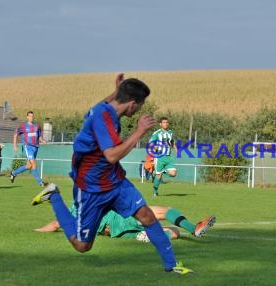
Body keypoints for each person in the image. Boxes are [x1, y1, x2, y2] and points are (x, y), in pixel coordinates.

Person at [31, 73, 193, 274]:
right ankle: (53, 195)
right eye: (140, 106)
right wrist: (139, 131)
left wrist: (117, 90)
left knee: (147, 216)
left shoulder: (103, 109)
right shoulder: (103, 120)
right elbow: (112, 156)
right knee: (82, 246)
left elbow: (100, 108)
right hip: (91, 187)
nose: (140, 110)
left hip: (114, 181)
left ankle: (172, 266)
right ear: (132, 104)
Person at [35, 205, 216, 243]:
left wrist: (36, 231)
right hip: (122, 218)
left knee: (174, 231)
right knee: (164, 211)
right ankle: (194, 228)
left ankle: (144, 236)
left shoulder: (74, 215)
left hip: (118, 232)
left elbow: (54, 224)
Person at [11, 111, 47, 186]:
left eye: (32, 116)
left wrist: (42, 141)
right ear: (27, 117)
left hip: (36, 148)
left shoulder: (37, 126)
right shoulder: (23, 126)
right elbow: (15, 135)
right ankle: (40, 182)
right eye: (29, 116)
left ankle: (13, 173)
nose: (31, 117)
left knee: (28, 166)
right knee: (34, 164)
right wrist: (15, 145)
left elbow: (39, 136)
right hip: (28, 147)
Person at [149, 117, 177, 196]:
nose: (166, 124)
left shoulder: (170, 132)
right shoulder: (157, 133)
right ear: (160, 124)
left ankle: (164, 171)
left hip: (168, 157)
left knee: (173, 174)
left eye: (167, 122)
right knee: (158, 176)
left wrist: (176, 149)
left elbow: (172, 142)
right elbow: (151, 143)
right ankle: (155, 190)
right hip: (159, 157)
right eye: (164, 122)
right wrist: (154, 147)